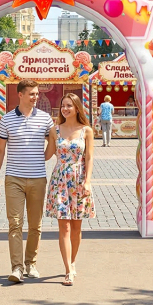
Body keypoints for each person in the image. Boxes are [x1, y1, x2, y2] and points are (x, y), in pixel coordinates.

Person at [0, 78, 56, 284]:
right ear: (20, 95)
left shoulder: (45, 119)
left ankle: (31, 263)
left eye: (37, 93)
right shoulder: (7, 120)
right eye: (32, 94)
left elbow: (52, 144)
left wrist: (46, 154)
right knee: (15, 223)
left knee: (36, 225)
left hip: (38, 179)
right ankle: (17, 267)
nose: (35, 97)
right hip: (14, 179)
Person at [45, 93, 95, 286]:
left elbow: (89, 157)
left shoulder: (86, 131)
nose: (65, 109)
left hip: (79, 179)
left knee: (76, 227)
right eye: (63, 105)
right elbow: (48, 154)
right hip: (60, 180)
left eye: (69, 106)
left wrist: (87, 181)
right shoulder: (55, 130)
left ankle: (73, 261)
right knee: (64, 226)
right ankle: (68, 269)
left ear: (76, 108)